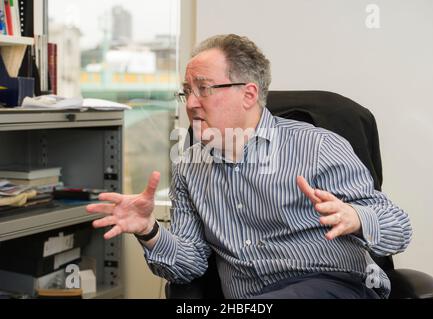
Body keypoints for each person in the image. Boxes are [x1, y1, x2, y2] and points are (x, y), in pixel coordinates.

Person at [86, 34, 412, 299]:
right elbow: (189, 266)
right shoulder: (189, 169)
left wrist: (356, 217)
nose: (190, 103)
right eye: (186, 92)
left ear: (248, 94)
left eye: (204, 89)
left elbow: (399, 228)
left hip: (334, 286)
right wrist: (149, 231)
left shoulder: (318, 147)